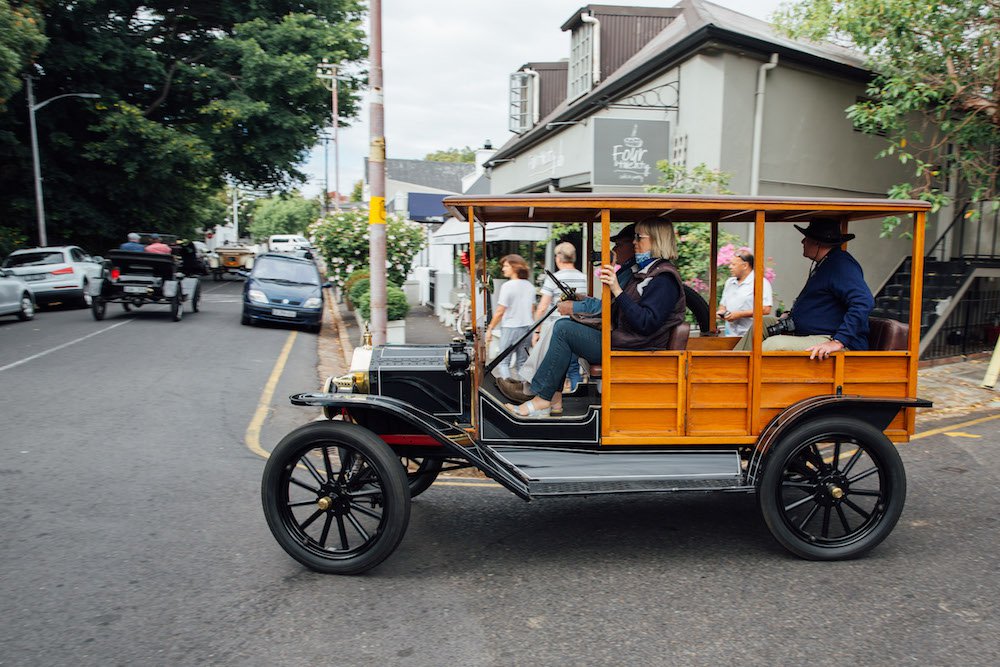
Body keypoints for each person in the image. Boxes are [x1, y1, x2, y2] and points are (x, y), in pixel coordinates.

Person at [505, 218, 686, 417]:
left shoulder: (664, 279)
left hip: (636, 347)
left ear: (656, 240)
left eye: (638, 237)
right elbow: (620, 309)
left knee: (564, 329)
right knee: (564, 325)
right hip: (626, 340)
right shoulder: (646, 273)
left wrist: (616, 289)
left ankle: (542, 399)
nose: (634, 242)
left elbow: (645, 323)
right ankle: (551, 399)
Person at [734, 217, 873, 359]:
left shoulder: (841, 264)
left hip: (834, 341)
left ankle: (747, 378)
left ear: (817, 242)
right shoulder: (825, 264)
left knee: (774, 345)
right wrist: (790, 315)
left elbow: (864, 301)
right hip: (812, 334)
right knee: (762, 323)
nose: (802, 242)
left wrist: (838, 341)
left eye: (806, 238)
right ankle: (731, 370)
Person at [535, 242, 588, 392]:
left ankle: (555, 405)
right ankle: (576, 398)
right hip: (579, 329)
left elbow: (543, 307)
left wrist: (537, 331)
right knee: (573, 367)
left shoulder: (553, 278)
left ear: (558, 258)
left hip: (557, 331)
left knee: (555, 369)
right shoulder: (585, 278)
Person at [484, 254, 536, 380]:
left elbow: (500, 311)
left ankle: (507, 389)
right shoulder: (530, 286)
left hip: (510, 327)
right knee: (522, 363)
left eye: (506, 266)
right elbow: (532, 309)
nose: (503, 269)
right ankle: (522, 391)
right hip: (527, 327)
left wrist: (490, 328)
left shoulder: (507, 286)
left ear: (515, 267)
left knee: (503, 362)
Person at [717, 250, 772, 336]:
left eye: (733, 264)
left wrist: (739, 314)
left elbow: (766, 309)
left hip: (750, 335)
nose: (730, 267)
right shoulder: (729, 282)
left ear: (745, 265)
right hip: (730, 334)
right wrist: (722, 313)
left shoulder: (760, 282)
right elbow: (723, 305)